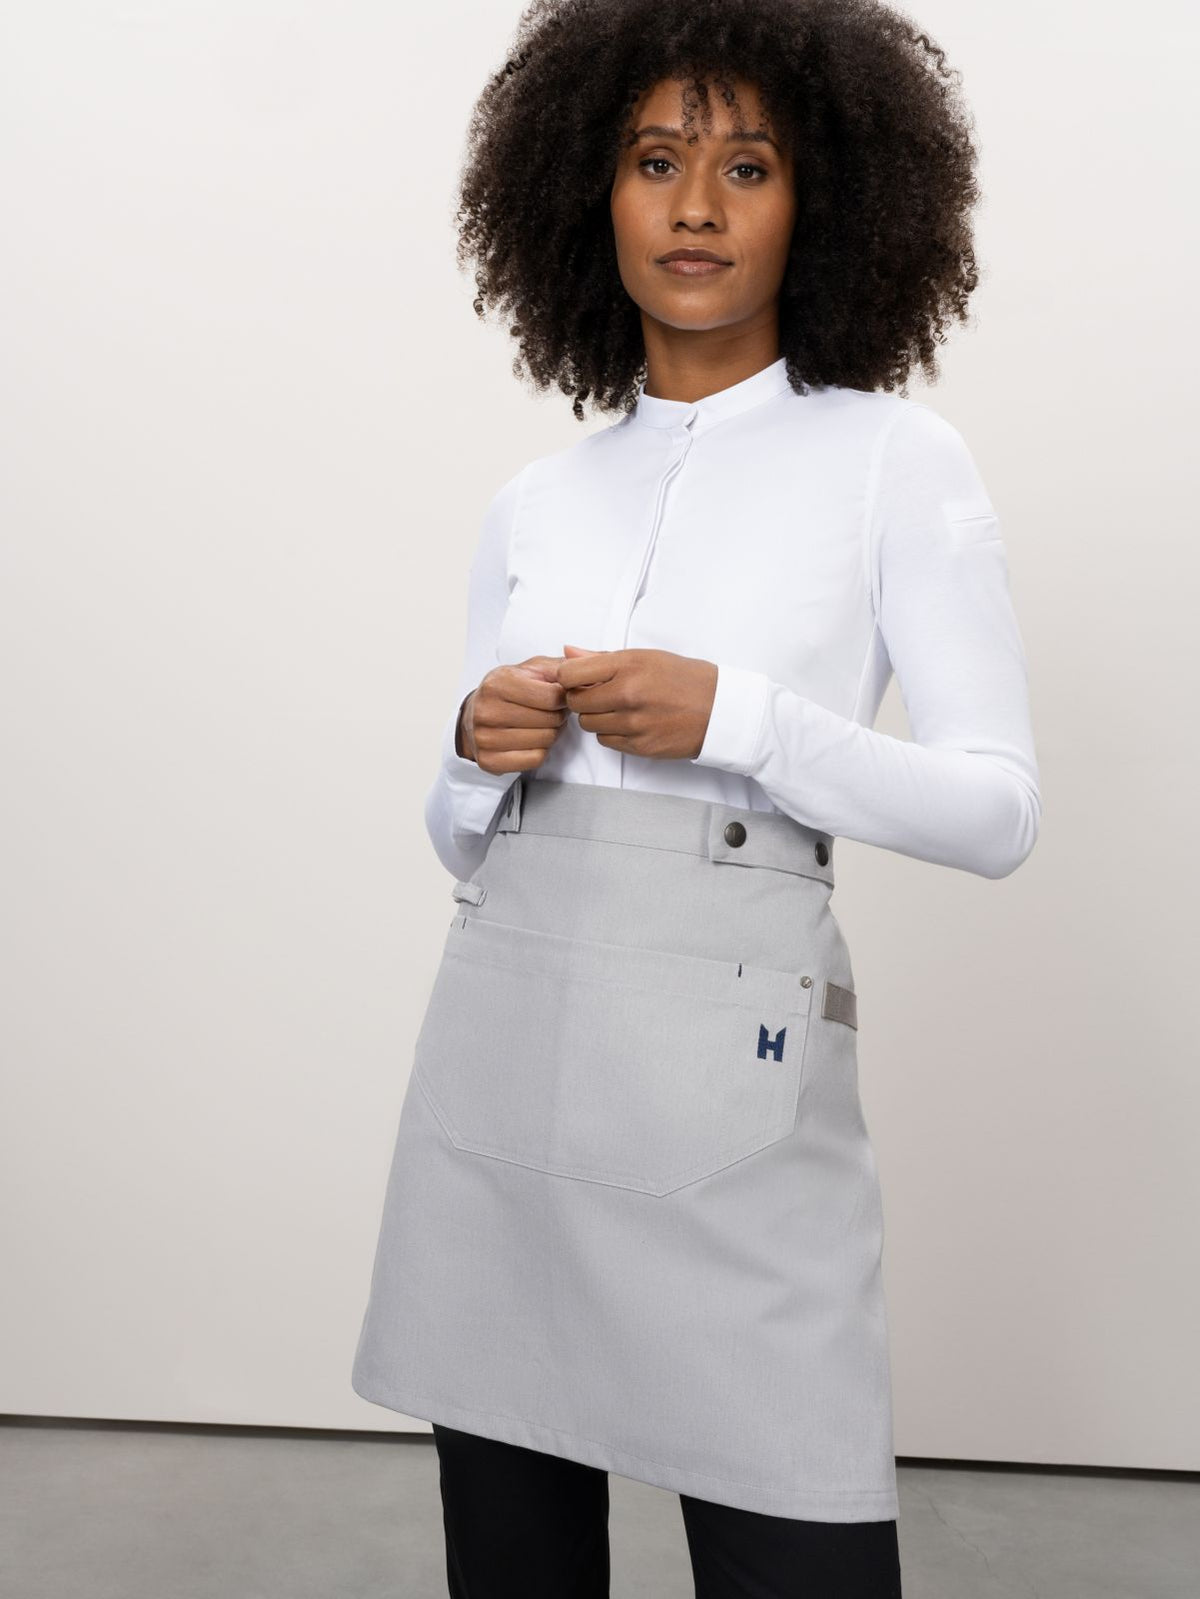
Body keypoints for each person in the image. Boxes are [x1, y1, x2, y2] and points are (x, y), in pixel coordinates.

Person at [351, 1, 1041, 1594]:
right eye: (657, 160)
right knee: (511, 1554)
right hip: (502, 1084)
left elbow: (999, 811)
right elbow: (461, 843)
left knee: (794, 1549)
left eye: (749, 165)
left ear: (824, 202)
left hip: (728, 1097)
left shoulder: (894, 462)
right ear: (589, 193)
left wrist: (740, 719)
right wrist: (469, 746)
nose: (698, 206)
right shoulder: (538, 500)